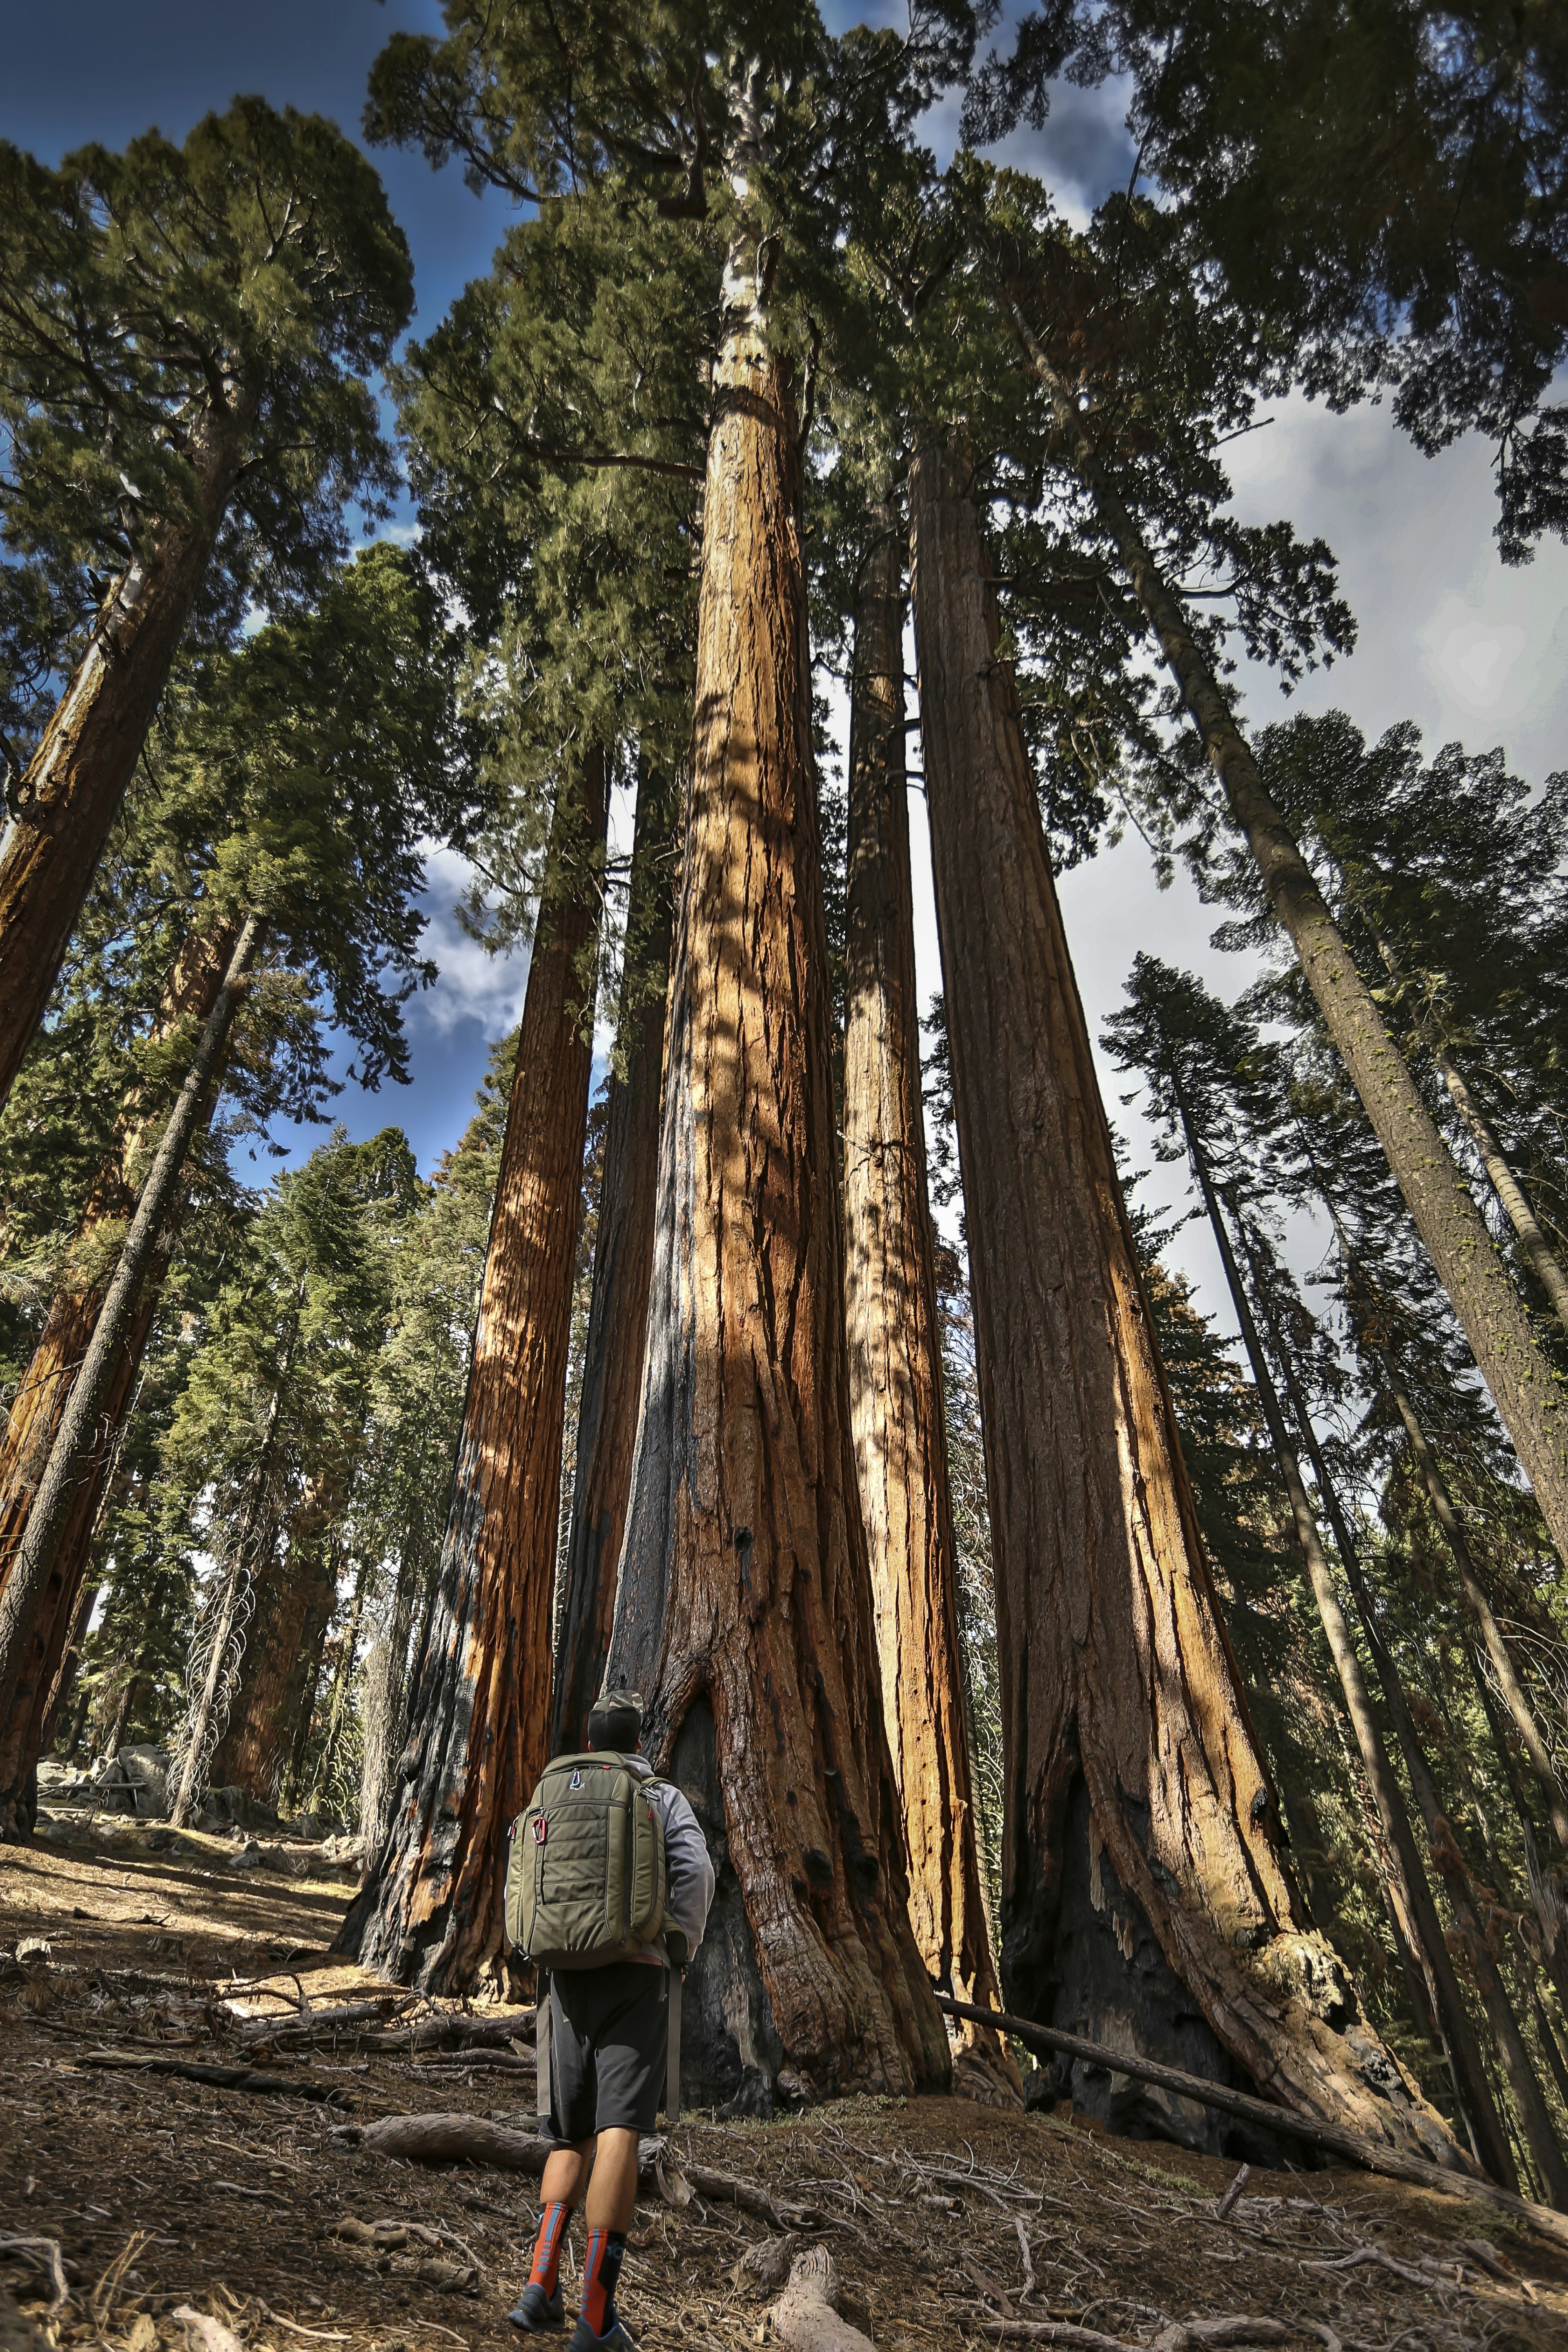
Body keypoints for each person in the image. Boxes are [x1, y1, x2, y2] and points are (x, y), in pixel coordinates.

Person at [510, 1687, 715, 2350]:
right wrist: (676, 1948)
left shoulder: (553, 1791)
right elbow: (695, 1871)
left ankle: (539, 2286)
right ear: (639, 1743)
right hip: (636, 1974)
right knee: (621, 2130)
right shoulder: (658, 1795)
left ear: (593, 1743)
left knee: (568, 2136)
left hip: (562, 1979)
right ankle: (596, 2316)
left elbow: (520, 1873)